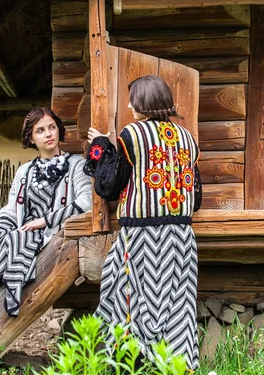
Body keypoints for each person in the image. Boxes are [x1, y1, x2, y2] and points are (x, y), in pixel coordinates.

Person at [84, 75, 202, 370]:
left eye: (132, 99)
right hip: (181, 237)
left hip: (141, 237)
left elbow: (110, 185)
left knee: (129, 296)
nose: (128, 104)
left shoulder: (131, 135)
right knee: (177, 303)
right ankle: (176, 364)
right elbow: (195, 196)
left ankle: (130, 363)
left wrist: (99, 147)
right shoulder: (188, 138)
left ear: (142, 103)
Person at [0, 107, 92, 323]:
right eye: (40, 130)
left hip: (54, 235)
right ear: (31, 138)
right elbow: (11, 211)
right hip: (24, 234)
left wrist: (45, 220)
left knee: (15, 238)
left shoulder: (77, 164)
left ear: (58, 129)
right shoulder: (25, 171)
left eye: (52, 127)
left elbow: (86, 202)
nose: (48, 134)